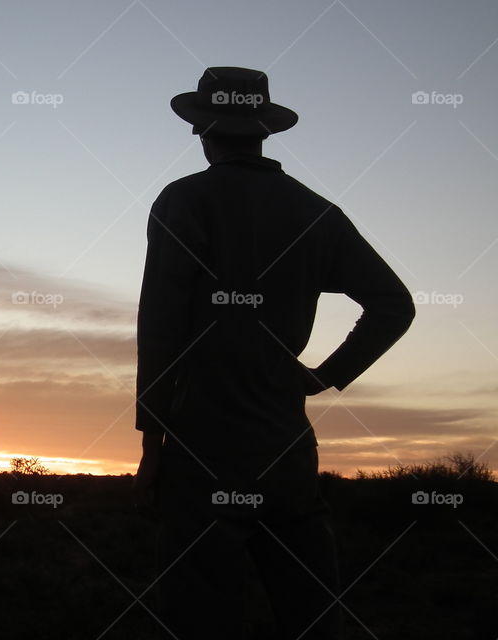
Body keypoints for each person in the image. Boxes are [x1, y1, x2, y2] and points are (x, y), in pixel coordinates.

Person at [132, 67, 415, 639]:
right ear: (263, 130)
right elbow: (394, 304)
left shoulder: (184, 200)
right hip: (284, 441)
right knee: (310, 612)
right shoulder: (315, 212)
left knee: (199, 613)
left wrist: (152, 442)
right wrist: (323, 376)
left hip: (199, 437)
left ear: (201, 129)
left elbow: (160, 328)